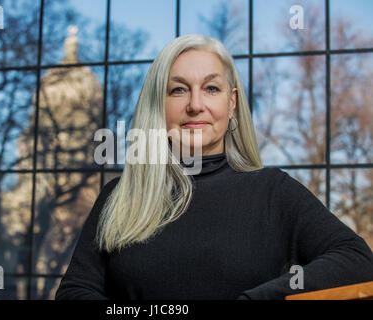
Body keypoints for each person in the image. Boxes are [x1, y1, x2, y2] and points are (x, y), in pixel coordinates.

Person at [55, 34, 373, 300]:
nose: (196, 104)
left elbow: (358, 260)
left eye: (211, 88)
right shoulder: (119, 196)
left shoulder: (273, 192)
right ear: (158, 104)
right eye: (178, 90)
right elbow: (75, 291)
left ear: (231, 103)